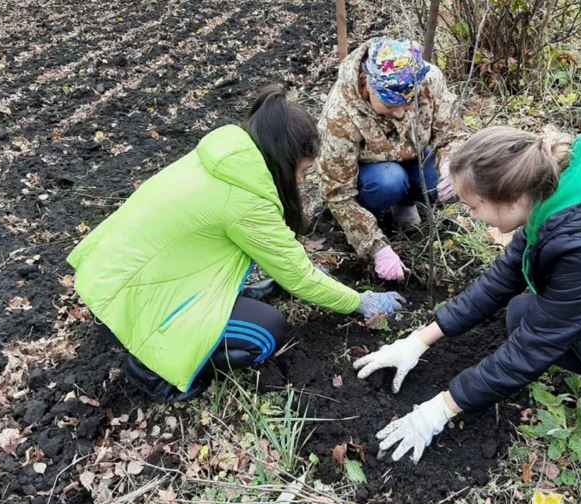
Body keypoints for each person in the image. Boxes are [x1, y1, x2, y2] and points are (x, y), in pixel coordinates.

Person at [353, 125, 581, 462]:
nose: (472, 217)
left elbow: (535, 347)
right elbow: (504, 275)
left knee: (533, 323)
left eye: (473, 207)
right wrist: (418, 341)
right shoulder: (562, 195)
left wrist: (439, 410)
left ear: (512, 200)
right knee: (523, 312)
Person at [67, 86, 405, 404]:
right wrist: (360, 301)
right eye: (302, 171)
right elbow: (299, 277)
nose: (302, 181)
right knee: (265, 332)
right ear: (284, 157)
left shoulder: (227, 158)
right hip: (130, 304)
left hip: (108, 283)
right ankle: (150, 369)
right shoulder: (246, 198)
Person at [317, 37, 461, 282]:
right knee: (389, 180)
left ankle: (405, 203)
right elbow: (338, 193)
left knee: (451, 181)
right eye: (389, 104)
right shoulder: (340, 115)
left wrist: (451, 163)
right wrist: (376, 248)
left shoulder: (429, 80)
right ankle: (376, 214)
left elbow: (452, 134)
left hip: (416, 156)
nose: (400, 113)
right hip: (373, 174)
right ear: (368, 86)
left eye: (408, 104)